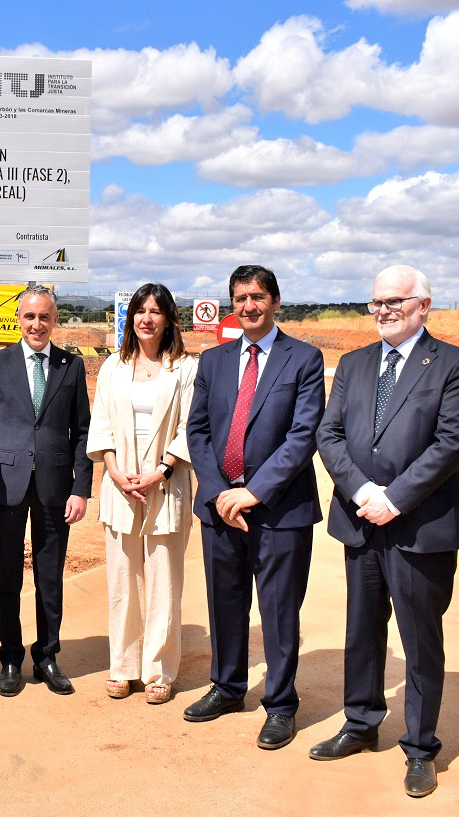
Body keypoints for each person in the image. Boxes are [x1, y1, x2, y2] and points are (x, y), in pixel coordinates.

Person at [310, 265, 459, 798]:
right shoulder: (356, 363)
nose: (383, 310)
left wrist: (395, 498)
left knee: (419, 637)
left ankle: (420, 747)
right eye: (375, 302)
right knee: (362, 631)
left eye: (395, 301)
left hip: (419, 527)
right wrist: (363, 493)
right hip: (360, 521)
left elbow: (451, 442)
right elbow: (329, 431)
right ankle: (360, 723)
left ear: (423, 305)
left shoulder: (456, 364)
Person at [185, 265, 325, 750]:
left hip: (280, 510)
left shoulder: (304, 359)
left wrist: (254, 492)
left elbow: (303, 435)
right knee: (225, 604)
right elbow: (197, 431)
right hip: (220, 506)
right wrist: (221, 490)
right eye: (241, 297)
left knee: (280, 611)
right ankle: (226, 688)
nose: (249, 305)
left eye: (258, 296)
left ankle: (282, 705)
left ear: (276, 301)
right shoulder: (214, 361)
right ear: (231, 304)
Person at [0, 286, 91, 696]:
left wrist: (81, 488)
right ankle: (10, 657)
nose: (37, 325)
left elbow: (83, 433)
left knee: (50, 577)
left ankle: (46, 657)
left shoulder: (71, 367)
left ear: (54, 320)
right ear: (18, 319)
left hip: (56, 489)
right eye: (29, 317)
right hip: (5, 487)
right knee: (6, 576)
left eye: (44, 317)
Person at [86, 283, 197, 704]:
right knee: (122, 581)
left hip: (165, 486)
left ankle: (159, 671)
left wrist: (161, 472)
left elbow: (192, 427)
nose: (146, 318)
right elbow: (103, 423)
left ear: (169, 318)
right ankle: (123, 667)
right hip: (120, 486)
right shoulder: (115, 364)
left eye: (156, 311)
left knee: (164, 583)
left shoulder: (186, 368)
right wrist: (114, 470)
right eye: (140, 310)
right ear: (130, 317)